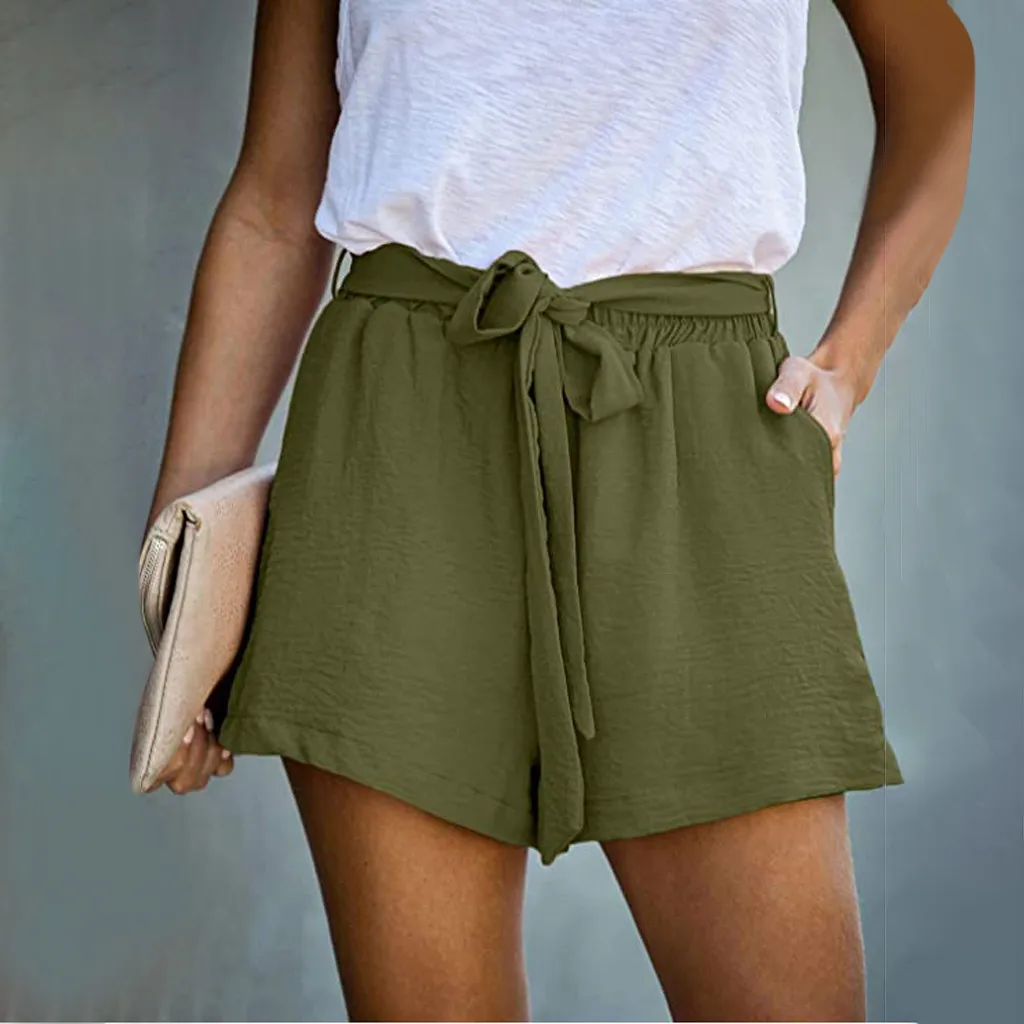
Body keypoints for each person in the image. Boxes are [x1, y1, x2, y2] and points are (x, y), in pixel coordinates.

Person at [142, 1, 974, 1020]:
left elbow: (938, 71)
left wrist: (852, 358)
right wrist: (182, 562)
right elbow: (276, 203)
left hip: (702, 438)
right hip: (397, 434)